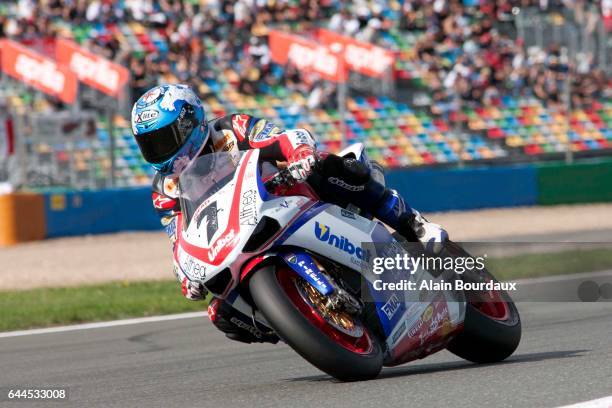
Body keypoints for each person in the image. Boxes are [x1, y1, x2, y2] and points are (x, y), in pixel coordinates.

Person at [131, 84, 448, 343]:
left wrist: (299, 155)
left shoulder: (230, 130)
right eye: (150, 144)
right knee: (219, 311)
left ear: (190, 122)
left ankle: (414, 224)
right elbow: (178, 238)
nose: (160, 151)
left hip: (286, 193)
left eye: (164, 139)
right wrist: (186, 275)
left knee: (335, 167)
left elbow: (284, 137)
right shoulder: (165, 189)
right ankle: (291, 321)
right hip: (235, 236)